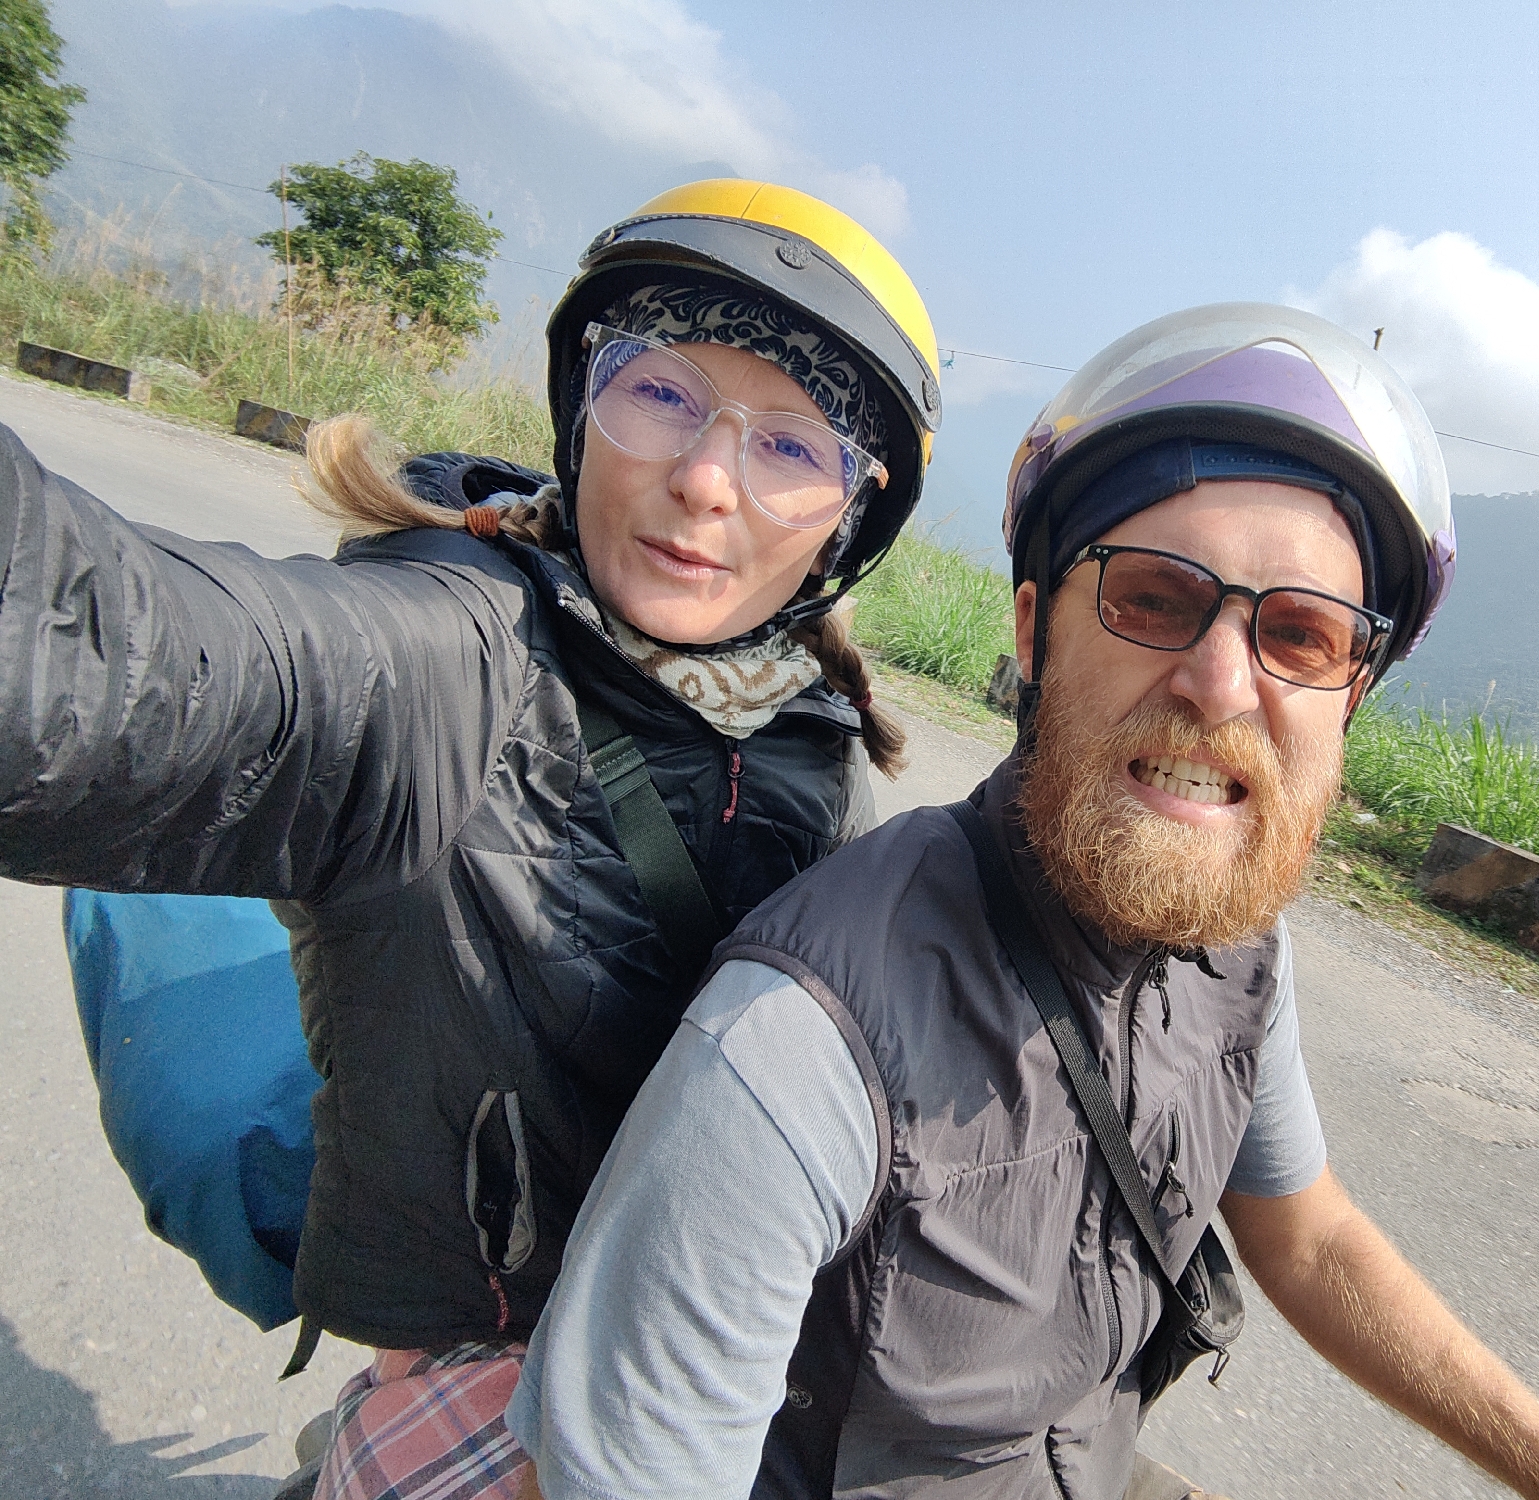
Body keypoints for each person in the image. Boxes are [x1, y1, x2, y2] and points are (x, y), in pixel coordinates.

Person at [503, 304, 1539, 1500]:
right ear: (1031, 631)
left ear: (1348, 702)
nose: (1220, 685)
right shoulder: (795, 1048)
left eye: (1302, 637)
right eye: (1152, 599)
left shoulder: (1236, 949)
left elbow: (1308, 1238)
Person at [0, 178, 943, 1499]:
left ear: (848, 518)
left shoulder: (812, 734)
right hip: (478, 1336)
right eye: (659, 390)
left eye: (792, 448)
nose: (704, 479)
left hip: (681, 1311)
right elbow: (103, 647)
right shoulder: (447, 660)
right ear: (581, 404)